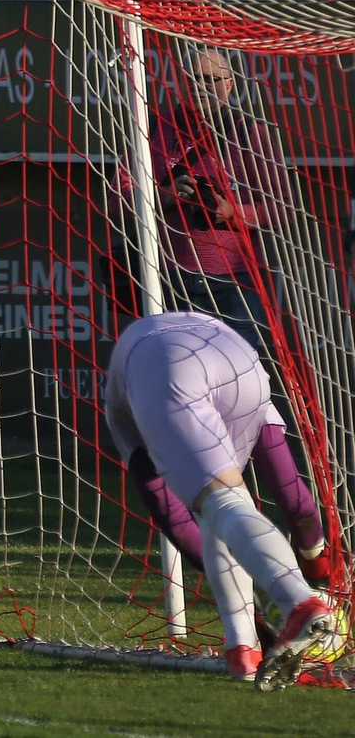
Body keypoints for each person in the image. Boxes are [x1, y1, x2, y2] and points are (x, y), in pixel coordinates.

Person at [103, 310, 333, 688]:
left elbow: (170, 513)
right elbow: (290, 488)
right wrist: (317, 558)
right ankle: (243, 650)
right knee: (222, 509)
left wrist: (303, 590)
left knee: (220, 503)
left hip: (162, 362)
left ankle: (299, 604)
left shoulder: (124, 405)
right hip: (239, 358)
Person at [119, 48, 288, 352]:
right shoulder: (154, 128)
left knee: (239, 368)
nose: (201, 86)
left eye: (211, 79)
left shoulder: (249, 132)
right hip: (167, 276)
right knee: (172, 366)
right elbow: (117, 195)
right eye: (194, 78)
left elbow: (283, 207)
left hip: (234, 281)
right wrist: (163, 198)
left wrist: (233, 212)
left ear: (230, 84)